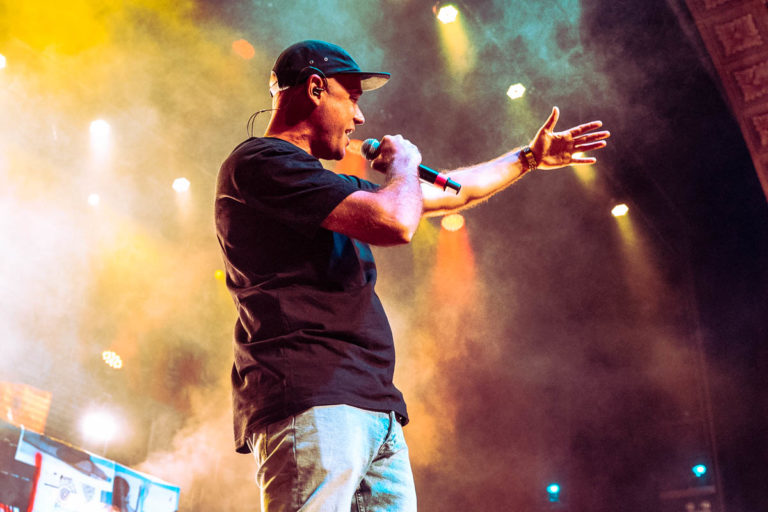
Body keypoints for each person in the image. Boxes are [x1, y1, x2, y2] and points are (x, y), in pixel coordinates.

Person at [215, 40, 610, 512]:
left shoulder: (324, 184)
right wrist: (403, 165)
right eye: (352, 98)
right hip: (311, 395)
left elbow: (453, 194)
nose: (360, 118)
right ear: (316, 88)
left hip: (372, 403)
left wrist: (527, 158)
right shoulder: (260, 163)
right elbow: (396, 222)